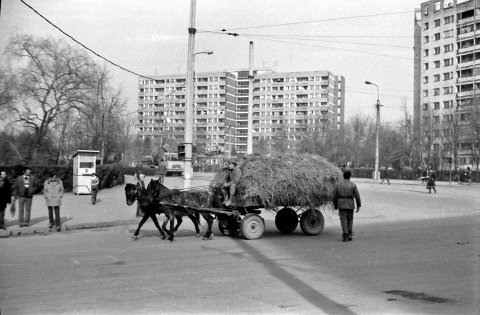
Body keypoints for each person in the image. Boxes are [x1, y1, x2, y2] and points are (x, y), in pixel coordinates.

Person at [332, 170, 361, 242]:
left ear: (343, 176)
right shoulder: (353, 185)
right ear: (350, 176)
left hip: (341, 205)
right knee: (350, 219)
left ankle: (345, 235)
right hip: (350, 205)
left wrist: (335, 205)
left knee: (343, 220)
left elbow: (334, 196)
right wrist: (358, 206)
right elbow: (357, 196)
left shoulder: (338, 184)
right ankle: (350, 234)